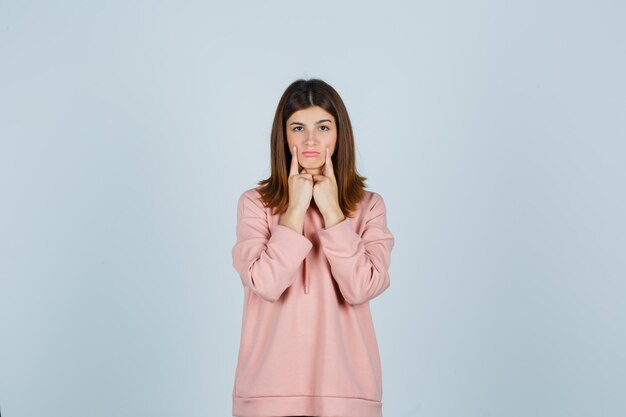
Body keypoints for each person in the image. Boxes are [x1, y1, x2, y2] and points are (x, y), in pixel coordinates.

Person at [230, 78, 395, 417]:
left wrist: (333, 213)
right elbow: (264, 284)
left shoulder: (369, 206)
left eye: (323, 127)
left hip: (348, 394)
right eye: (297, 127)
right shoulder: (255, 204)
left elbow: (362, 287)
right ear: (284, 136)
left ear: (339, 134)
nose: (310, 140)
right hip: (267, 394)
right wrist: (293, 212)